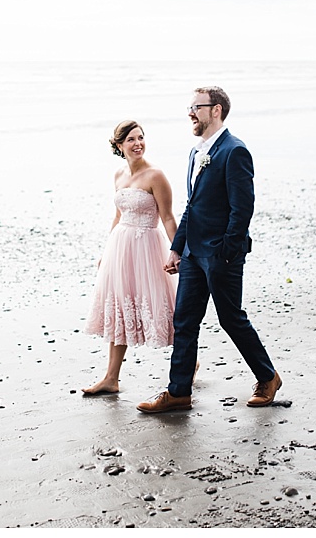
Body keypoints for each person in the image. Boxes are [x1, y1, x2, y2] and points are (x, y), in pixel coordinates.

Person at [137, 86, 281, 414]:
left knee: (231, 318)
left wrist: (227, 251)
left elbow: (242, 209)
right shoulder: (195, 152)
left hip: (220, 255)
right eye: (189, 107)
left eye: (195, 107)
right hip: (191, 255)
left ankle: (268, 376)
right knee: (184, 320)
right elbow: (192, 206)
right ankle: (178, 392)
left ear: (215, 110)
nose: (190, 112)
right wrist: (177, 249)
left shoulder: (235, 151)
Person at [82, 120, 178, 395]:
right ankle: (111, 378)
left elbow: (168, 217)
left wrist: (179, 251)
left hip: (148, 247)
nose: (138, 144)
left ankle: (189, 362)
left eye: (141, 138)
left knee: (160, 308)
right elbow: (118, 215)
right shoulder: (118, 175)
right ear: (119, 145)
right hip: (120, 249)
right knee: (120, 308)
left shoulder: (156, 176)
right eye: (131, 140)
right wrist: (106, 253)